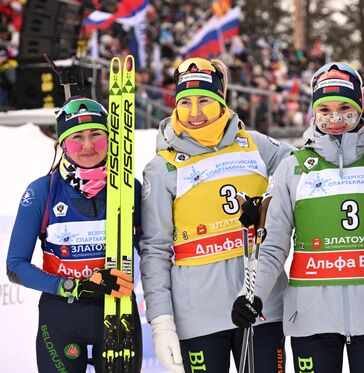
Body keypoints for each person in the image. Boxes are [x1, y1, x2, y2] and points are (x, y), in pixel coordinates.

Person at [231, 62, 364, 373]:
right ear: (313, 112)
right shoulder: (294, 167)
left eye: (345, 109)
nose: (335, 119)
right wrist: (250, 295)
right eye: (325, 110)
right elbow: (273, 246)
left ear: (360, 108)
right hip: (312, 320)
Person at [140, 57, 294, 373]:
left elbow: (301, 169)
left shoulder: (256, 145)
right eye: (185, 103)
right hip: (198, 316)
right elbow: (154, 250)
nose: (195, 113)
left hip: (260, 305)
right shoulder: (163, 166)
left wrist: (266, 202)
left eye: (206, 102)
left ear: (222, 101)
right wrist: (161, 321)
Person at [6, 96, 143, 372]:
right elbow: (15, 266)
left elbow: (151, 250)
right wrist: (72, 285)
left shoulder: (131, 189)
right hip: (62, 315)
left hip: (119, 312)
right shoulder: (42, 191)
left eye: (96, 134)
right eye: (77, 137)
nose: (88, 145)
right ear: (62, 144)